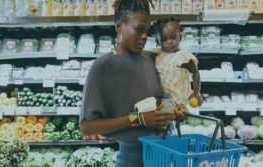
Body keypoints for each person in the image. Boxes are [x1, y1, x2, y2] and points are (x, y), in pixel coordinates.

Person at [79, 1, 186, 167]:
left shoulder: (151, 58)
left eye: (147, 31)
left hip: (166, 154)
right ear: (119, 26)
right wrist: (138, 118)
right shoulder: (104, 65)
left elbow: (162, 99)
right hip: (133, 159)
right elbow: (87, 126)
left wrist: (175, 111)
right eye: (139, 29)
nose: (144, 36)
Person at [153, 17, 203, 108]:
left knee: (179, 117)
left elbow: (195, 73)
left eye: (173, 38)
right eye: (164, 39)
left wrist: (196, 92)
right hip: (164, 102)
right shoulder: (158, 56)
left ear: (180, 37)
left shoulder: (183, 56)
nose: (169, 42)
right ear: (158, 41)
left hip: (180, 101)